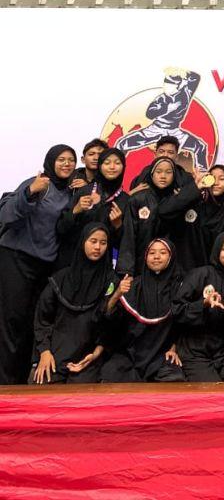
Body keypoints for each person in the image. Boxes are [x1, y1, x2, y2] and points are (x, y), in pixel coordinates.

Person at [0, 144, 77, 384]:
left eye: (71, 160)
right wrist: (30, 191)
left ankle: (22, 379)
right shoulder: (38, 183)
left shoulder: (71, 192)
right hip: (16, 258)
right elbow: (5, 214)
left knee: (32, 323)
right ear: (50, 161)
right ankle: (6, 383)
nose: (66, 164)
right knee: (12, 322)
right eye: (61, 159)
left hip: (44, 264)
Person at [30, 223, 117, 384]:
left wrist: (97, 353)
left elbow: (110, 326)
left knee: (84, 400)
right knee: (40, 387)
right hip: (53, 354)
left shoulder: (110, 282)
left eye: (103, 243)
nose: (97, 247)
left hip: (89, 358)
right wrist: (44, 352)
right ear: (83, 242)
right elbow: (42, 319)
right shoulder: (61, 279)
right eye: (93, 241)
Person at [99, 238, 185, 383]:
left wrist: (174, 348)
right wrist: (117, 295)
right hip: (131, 353)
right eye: (152, 253)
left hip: (162, 354)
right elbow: (109, 320)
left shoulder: (180, 287)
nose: (156, 257)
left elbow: (183, 325)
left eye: (162, 252)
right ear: (145, 257)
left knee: (173, 378)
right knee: (109, 374)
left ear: (171, 257)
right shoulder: (133, 286)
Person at [171, 231, 224, 382]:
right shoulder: (200, 274)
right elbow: (176, 311)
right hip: (195, 351)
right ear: (217, 251)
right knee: (212, 396)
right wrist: (203, 303)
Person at [117, 158, 208, 276]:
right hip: (142, 266)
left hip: (174, 268)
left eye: (168, 172)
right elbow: (129, 238)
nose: (163, 176)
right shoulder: (138, 200)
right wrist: (126, 271)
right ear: (152, 174)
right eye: (158, 172)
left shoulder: (180, 199)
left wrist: (192, 189)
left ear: (174, 175)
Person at [56, 147, 129, 269]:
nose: (112, 167)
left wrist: (118, 227)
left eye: (117, 163)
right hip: (71, 262)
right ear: (100, 166)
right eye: (107, 163)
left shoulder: (126, 200)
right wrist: (75, 211)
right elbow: (61, 229)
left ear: (123, 167)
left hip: (102, 267)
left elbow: (125, 245)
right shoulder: (84, 191)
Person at [170, 164, 224, 273]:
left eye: (222, 179)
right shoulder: (194, 204)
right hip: (185, 269)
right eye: (212, 178)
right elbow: (165, 212)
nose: (216, 183)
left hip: (212, 274)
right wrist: (192, 188)